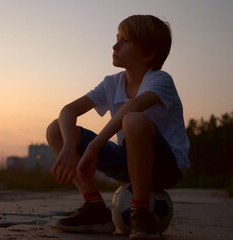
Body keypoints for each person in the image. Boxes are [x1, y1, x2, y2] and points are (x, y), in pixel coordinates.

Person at [46, 15, 190, 240]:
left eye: (124, 41)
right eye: (117, 39)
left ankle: (141, 212)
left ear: (147, 53)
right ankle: (95, 209)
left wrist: (93, 148)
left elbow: (133, 107)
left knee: (133, 119)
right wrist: (69, 145)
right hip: (130, 163)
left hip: (165, 166)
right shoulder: (111, 83)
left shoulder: (160, 80)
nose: (115, 46)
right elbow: (68, 110)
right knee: (56, 129)